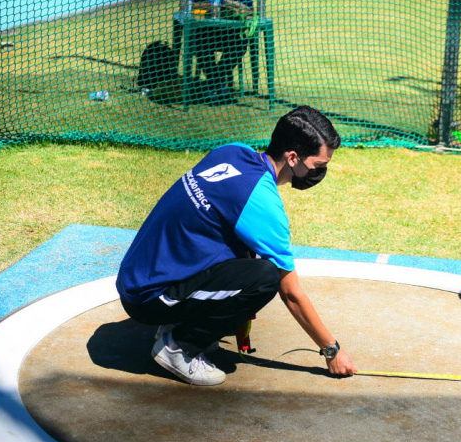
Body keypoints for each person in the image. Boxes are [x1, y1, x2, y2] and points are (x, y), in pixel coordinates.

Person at [116, 106, 357, 385]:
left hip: (137, 278)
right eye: (318, 166)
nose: (319, 173)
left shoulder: (232, 151)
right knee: (265, 277)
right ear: (293, 157)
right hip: (148, 299)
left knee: (250, 258)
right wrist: (331, 350)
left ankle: (179, 324)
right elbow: (290, 293)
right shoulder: (262, 202)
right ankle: (178, 347)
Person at [181, 0, 254, 105]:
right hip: (206, 31)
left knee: (241, 44)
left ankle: (212, 84)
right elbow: (185, 3)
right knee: (199, 42)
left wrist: (235, 6)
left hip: (229, 33)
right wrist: (213, 4)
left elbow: (249, 10)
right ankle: (218, 86)